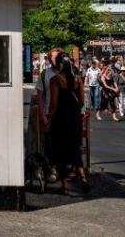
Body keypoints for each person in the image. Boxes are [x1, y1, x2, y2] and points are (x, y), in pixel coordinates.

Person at [44, 56, 87, 195]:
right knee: (75, 150)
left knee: (60, 152)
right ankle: (83, 177)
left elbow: (54, 104)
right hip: (75, 119)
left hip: (60, 120)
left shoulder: (55, 80)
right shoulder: (77, 80)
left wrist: (49, 120)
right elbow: (81, 101)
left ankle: (65, 186)